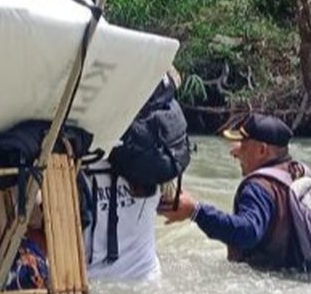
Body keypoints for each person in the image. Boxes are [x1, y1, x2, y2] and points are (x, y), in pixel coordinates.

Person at [159, 112, 307, 272]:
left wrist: (196, 211)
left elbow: (247, 232)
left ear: (262, 150)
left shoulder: (258, 187)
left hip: (271, 282)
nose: (234, 152)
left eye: (243, 144)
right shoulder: (298, 172)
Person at [83, 160, 161, 282]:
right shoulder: (157, 155)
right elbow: (177, 206)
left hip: (85, 285)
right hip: (147, 278)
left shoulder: (63, 157)